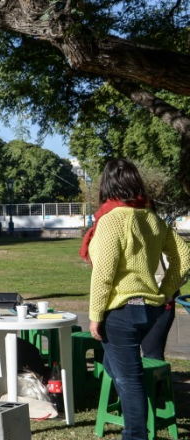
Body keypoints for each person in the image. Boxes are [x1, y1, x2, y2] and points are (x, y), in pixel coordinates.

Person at [81, 158, 190, 440]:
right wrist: (165, 291)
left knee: (129, 382)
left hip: (121, 313)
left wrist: (94, 316)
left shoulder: (112, 221)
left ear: (107, 184)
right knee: (122, 374)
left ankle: (136, 436)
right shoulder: (153, 218)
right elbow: (185, 256)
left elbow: (103, 274)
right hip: (151, 310)